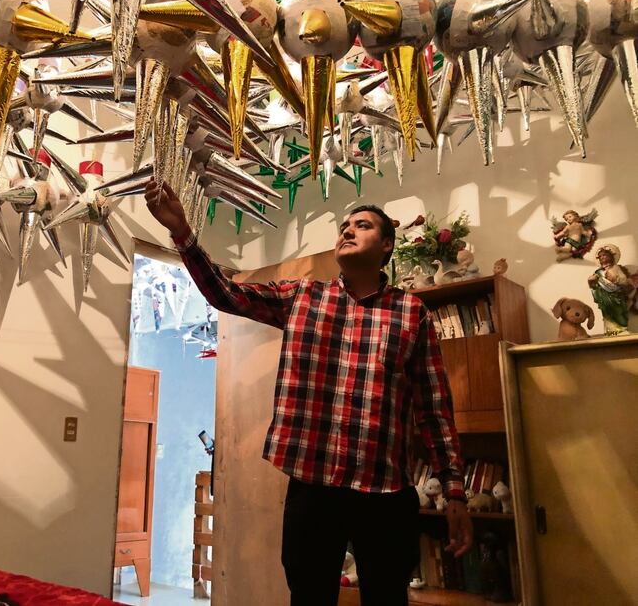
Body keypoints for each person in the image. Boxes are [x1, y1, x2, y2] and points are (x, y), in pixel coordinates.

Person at [144, 178, 472, 606]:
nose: (348, 230)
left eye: (363, 225)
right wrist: (182, 233)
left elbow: (434, 408)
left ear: (387, 245)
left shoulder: (412, 313)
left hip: (385, 492)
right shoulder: (302, 296)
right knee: (309, 598)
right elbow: (228, 294)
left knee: (388, 599)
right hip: (313, 486)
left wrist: (453, 488)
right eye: (345, 225)